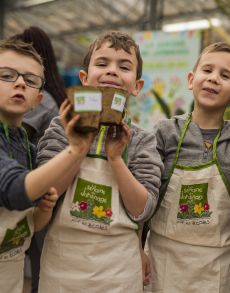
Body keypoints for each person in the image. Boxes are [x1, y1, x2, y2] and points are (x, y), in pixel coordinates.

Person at [36, 31, 163, 292]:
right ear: (84, 78)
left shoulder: (143, 140)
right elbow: (45, 193)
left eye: (124, 66)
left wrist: (116, 159)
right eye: (102, 63)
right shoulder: (62, 128)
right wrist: (78, 147)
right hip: (62, 269)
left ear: (136, 86)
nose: (112, 71)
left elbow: (143, 209)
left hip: (118, 273)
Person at [145, 42, 230, 293]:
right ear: (191, 79)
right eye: (207, 70)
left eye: (224, 75)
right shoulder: (165, 133)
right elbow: (146, 198)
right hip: (162, 260)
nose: (214, 78)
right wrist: (137, 248)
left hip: (213, 266)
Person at [0, 39, 91, 293]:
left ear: (38, 99)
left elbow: (30, 226)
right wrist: (75, 149)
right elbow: (15, 190)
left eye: (30, 80)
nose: (19, 83)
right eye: (7, 75)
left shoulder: (29, 150)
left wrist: (43, 210)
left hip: (12, 275)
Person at [12, 25, 68, 293]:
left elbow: (19, 131)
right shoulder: (58, 96)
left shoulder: (43, 103)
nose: (18, 83)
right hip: (48, 186)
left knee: (38, 259)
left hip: (38, 182)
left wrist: (76, 149)